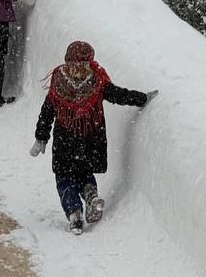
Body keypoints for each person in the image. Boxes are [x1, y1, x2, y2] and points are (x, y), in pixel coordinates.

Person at [29, 41, 158, 233]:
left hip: (65, 139)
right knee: (84, 171)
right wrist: (141, 98)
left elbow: (47, 111)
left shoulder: (59, 81)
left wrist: (41, 137)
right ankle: (90, 194)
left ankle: (74, 214)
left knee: (64, 177)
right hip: (91, 137)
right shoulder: (96, 79)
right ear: (90, 59)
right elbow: (118, 95)